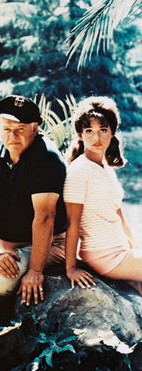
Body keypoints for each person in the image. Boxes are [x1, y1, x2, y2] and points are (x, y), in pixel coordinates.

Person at [0, 95, 67, 320]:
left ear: (35, 128)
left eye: (20, 129)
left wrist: (35, 270)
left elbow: (45, 216)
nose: (12, 136)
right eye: (6, 129)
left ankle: (2, 321)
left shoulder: (47, 158)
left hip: (50, 244)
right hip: (8, 247)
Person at [64, 96, 142, 294]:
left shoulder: (104, 167)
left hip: (120, 249)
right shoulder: (79, 170)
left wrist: (133, 244)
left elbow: (117, 213)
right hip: (103, 255)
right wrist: (71, 268)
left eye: (103, 130)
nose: (96, 138)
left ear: (112, 132)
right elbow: (72, 222)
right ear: (80, 135)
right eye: (89, 131)